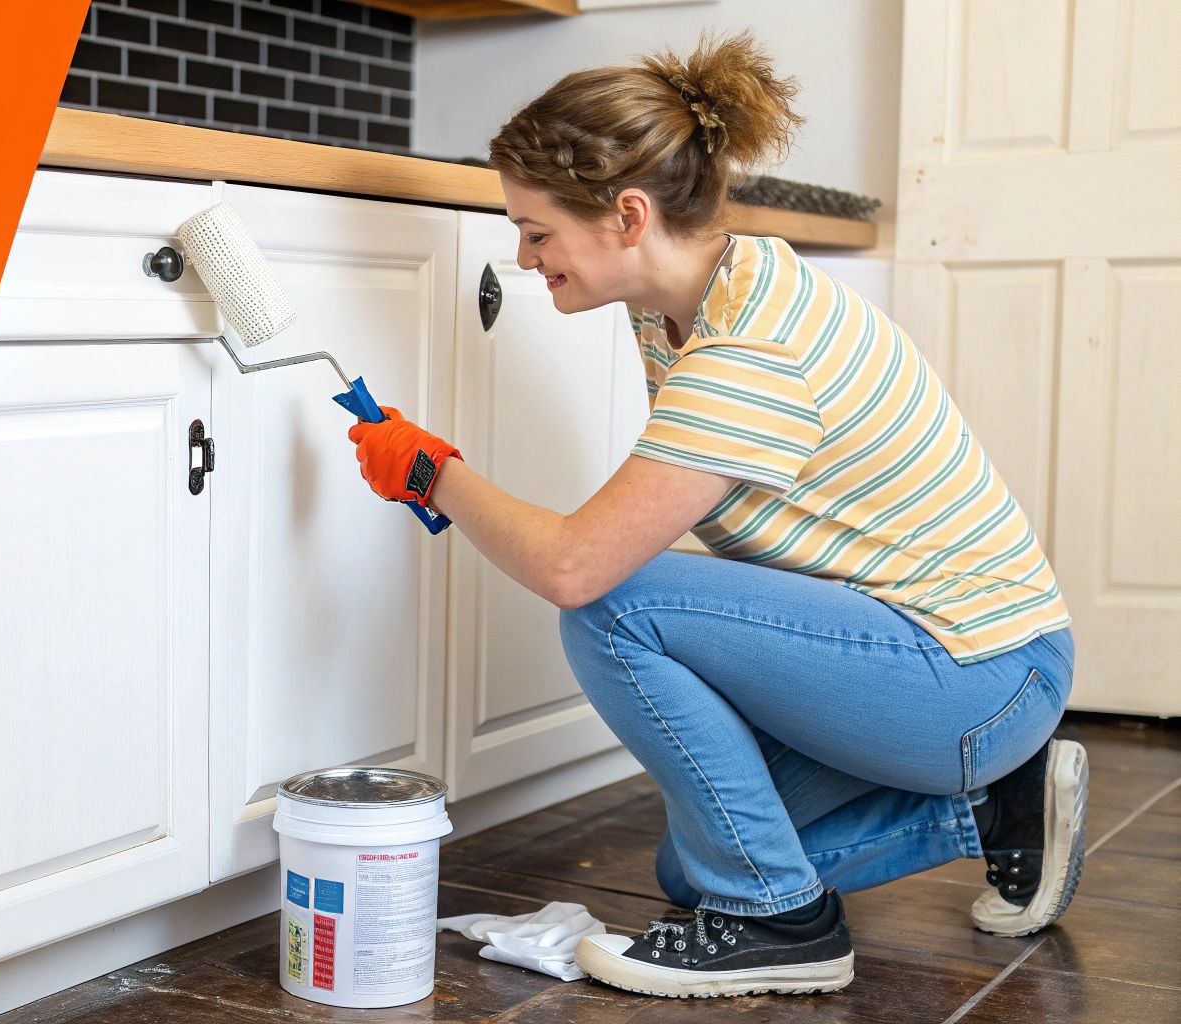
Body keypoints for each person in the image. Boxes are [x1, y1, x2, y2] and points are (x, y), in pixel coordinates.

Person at [344, 31, 1086, 1000]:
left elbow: (576, 567)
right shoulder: (682, 300)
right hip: (951, 665)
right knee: (692, 873)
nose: (522, 258)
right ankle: (995, 806)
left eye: (534, 231)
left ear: (625, 214)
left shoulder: (752, 350)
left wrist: (429, 470)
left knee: (614, 602)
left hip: (974, 672)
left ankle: (782, 927)